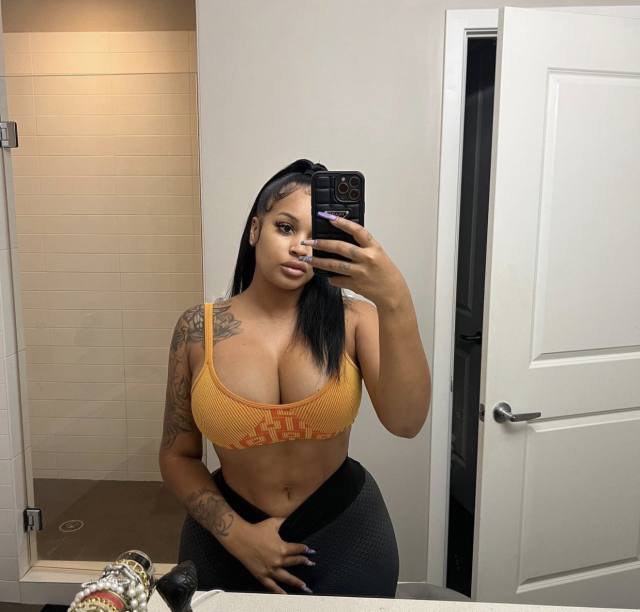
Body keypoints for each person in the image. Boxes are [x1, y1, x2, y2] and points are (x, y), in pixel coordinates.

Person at [159, 158, 431, 598]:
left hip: (347, 534)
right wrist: (238, 536)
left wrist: (395, 297)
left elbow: (407, 422)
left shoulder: (355, 320)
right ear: (255, 230)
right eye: (285, 228)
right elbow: (177, 456)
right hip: (226, 541)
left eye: (315, 236)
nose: (301, 247)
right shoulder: (198, 329)